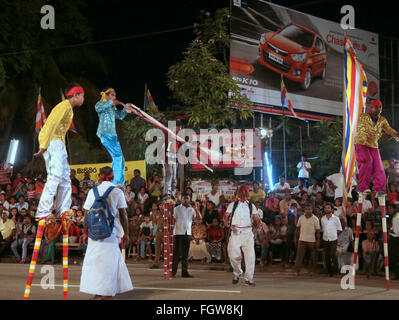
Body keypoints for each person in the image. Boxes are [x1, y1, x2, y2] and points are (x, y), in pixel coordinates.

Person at [80, 166, 132, 300]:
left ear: (100, 176)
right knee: (109, 264)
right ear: (112, 176)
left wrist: (85, 233)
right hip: (111, 233)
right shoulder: (117, 192)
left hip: (94, 234)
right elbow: (123, 215)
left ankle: (98, 294)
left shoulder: (92, 192)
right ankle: (108, 294)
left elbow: (86, 214)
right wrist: (126, 234)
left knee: (95, 264)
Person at [35, 83, 85, 219]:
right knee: (55, 175)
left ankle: (62, 210)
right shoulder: (63, 106)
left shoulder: (69, 108)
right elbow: (50, 124)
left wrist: (63, 151)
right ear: (75, 95)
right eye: (82, 95)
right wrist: (44, 145)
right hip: (52, 141)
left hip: (59, 144)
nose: (83, 99)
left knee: (65, 178)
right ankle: (43, 210)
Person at [355, 100, 399, 196]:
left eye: (380, 107)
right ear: (371, 108)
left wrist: (396, 135)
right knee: (367, 161)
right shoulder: (364, 117)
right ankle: (362, 187)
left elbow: (388, 129)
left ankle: (379, 189)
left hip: (373, 145)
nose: (378, 109)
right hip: (361, 144)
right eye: (376, 107)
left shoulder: (382, 119)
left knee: (379, 166)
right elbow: (367, 130)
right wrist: (382, 135)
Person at [224, 186, 262, 286]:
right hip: (235, 233)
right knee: (233, 256)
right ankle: (237, 272)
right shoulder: (233, 204)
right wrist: (225, 221)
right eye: (240, 192)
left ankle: (249, 278)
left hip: (248, 234)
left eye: (244, 192)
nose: (242, 194)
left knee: (250, 257)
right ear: (238, 193)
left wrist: (259, 223)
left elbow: (256, 217)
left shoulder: (251, 206)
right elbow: (226, 215)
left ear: (247, 194)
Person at [95, 87, 132, 187]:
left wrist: (126, 109)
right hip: (106, 134)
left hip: (112, 135)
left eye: (115, 95)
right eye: (112, 95)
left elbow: (119, 116)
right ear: (105, 95)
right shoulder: (100, 104)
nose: (115, 97)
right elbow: (97, 108)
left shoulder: (111, 107)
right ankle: (116, 183)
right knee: (118, 157)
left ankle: (119, 183)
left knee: (120, 159)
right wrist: (112, 103)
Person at [172, 194, 195, 278]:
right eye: (184, 198)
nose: (186, 200)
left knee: (185, 254)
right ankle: (173, 271)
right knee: (176, 253)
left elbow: (198, 218)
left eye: (187, 198)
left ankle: (184, 272)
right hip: (178, 232)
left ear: (189, 199)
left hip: (187, 233)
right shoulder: (176, 209)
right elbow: (173, 219)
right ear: (181, 199)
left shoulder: (191, 209)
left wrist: (195, 208)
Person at [294, 203, 320, 276]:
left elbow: (318, 231)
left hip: (312, 240)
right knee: (299, 256)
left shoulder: (315, 219)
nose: (308, 211)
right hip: (302, 239)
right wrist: (295, 238)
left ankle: (311, 271)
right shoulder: (301, 218)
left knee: (312, 257)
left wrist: (318, 241)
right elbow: (297, 228)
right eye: (307, 209)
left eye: (310, 209)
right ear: (304, 210)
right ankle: (297, 271)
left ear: (312, 210)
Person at [321, 203, 342, 276]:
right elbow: (323, 228)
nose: (327, 209)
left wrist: (335, 235)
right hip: (325, 239)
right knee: (326, 256)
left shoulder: (336, 218)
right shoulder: (323, 219)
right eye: (326, 208)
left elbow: (339, 229)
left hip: (333, 239)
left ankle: (336, 270)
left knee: (333, 255)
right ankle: (329, 271)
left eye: (328, 208)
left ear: (331, 209)